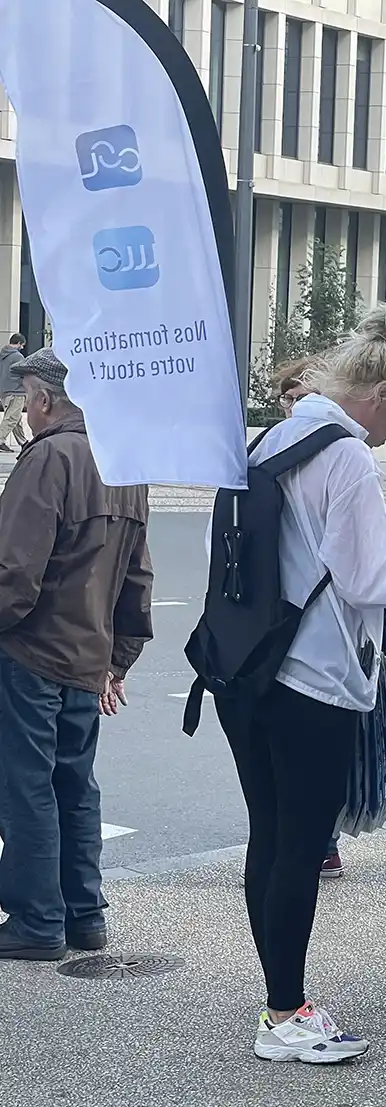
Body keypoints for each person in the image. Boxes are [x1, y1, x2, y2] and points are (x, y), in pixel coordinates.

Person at [215, 306, 386, 1064]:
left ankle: (279, 999)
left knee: (269, 834)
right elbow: (365, 574)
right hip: (313, 675)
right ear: (378, 393)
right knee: (301, 843)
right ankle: (286, 1012)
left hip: (245, 669)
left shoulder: (272, 438)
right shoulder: (347, 454)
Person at [0, 348, 152, 961]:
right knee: (76, 784)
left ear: (45, 398)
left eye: (25, 399)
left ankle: (37, 922)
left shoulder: (47, 458)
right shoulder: (125, 461)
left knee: (26, 785)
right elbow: (137, 574)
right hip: (89, 655)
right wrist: (118, 658)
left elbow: (14, 573)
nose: (23, 412)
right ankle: (84, 915)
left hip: (34, 650)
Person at [273, 354, 345, 881]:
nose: (294, 406)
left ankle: (324, 840)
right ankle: (313, 841)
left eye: (302, 396)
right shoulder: (273, 446)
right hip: (294, 639)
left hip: (296, 639)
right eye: (288, 397)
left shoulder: (338, 453)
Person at [0, 332, 28, 451]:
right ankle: (0, 439)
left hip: (5, 391)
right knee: (12, 418)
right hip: (17, 391)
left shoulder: (2, 355)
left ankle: (23, 442)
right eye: (22, 345)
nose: (22, 348)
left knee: (15, 418)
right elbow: (24, 373)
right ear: (18, 343)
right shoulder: (17, 356)